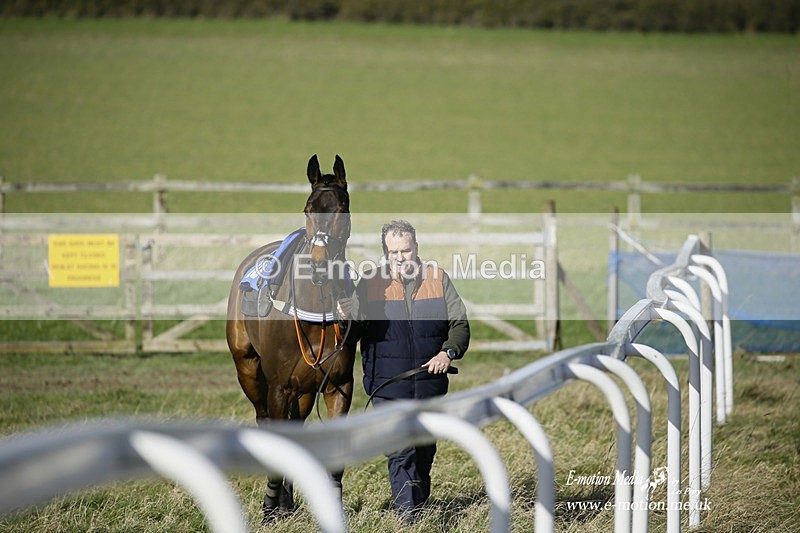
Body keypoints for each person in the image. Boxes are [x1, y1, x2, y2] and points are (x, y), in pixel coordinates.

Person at [337, 219, 470, 522]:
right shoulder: (370, 284)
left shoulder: (437, 279)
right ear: (385, 253)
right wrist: (346, 317)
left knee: (423, 453)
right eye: (394, 252)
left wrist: (447, 352)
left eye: (406, 250)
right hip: (388, 386)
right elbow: (353, 332)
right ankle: (408, 518)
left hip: (430, 384)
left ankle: (417, 509)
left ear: (416, 248)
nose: (400, 257)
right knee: (401, 451)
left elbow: (459, 324)